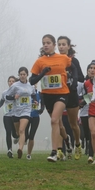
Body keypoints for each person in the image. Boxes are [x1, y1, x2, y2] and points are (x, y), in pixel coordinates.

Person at [29, 34, 72, 162]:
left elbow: (74, 68)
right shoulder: (40, 61)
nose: (46, 45)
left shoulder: (63, 58)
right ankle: (67, 139)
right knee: (58, 124)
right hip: (47, 96)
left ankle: (54, 152)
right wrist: (42, 73)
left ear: (54, 45)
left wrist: (73, 79)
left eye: (48, 42)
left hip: (62, 93)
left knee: (54, 120)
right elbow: (32, 80)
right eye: (44, 43)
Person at [57, 36, 84, 160]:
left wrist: (72, 80)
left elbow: (81, 78)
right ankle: (62, 147)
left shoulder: (74, 61)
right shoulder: (54, 60)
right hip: (58, 94)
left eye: (64, 44)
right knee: (57, 122)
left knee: (73, 124)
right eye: (59, 44)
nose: (61, 47)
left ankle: (77, 144)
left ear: (68, 46)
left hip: (71, 93)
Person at [5, 67, 35, 159]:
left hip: (26, 111)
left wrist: (36, 101)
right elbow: (7, 97)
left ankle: (20, 149)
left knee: (22, 130)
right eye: (21, 74)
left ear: (27, 75)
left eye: (24, 74)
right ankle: (19, 140)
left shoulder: (30, 85)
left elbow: (33, 94)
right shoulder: (15, 85)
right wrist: (14, 97)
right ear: (19, 75)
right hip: (16, 111)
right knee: (18, 132)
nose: (22, 76)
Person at [0, 75, 19, 158]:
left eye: (13, 81)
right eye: (9, 81)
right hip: (7, 115)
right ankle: (9, 150)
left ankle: (16, 137)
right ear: (8, 82)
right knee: (8, 132)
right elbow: (1, 102)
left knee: (14, 134)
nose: (11, 82)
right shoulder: (5, 92)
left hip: (15, 115)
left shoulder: (18, 92)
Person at [78, 61, 95, 163]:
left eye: (94, 68)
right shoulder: (85, 84)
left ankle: (91, 154)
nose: (92, 70)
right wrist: (80, 103)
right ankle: (89, 149)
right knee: (86, 135)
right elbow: (83, 97)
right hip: (85, 112)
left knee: (93, 133)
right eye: (90, 68)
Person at [25, 83, 44, 160]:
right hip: (26, 116)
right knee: (26, 134)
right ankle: (23, 140)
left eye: (35, 84)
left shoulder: (39, 94)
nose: (34, 85)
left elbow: (43, 104)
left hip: (36, 117)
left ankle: (29, 154)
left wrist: (41, 109)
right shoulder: (26, 93)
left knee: (31, 136)